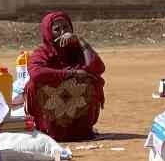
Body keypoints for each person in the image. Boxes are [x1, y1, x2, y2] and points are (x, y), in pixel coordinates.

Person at [25, 11, 106, 141]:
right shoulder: (42, 52)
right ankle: (48, 129)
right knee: (35, 84)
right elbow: (36, 73)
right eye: (57, 29)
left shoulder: (78, 49)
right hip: (52, 109)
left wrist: (81, 41)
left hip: (76, 110)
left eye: (66, 28)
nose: (63, 32)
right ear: (48, 32)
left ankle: (81, 130)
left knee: (90, 79)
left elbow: (98, 68)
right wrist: (70, 73)